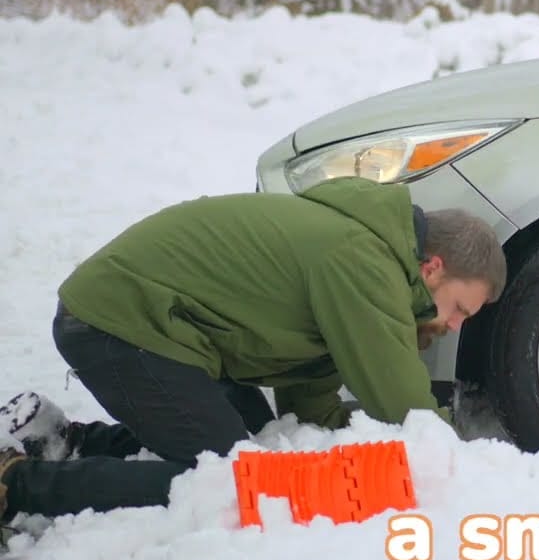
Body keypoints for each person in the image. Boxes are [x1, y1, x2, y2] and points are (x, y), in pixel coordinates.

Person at [0, 176, 506, 523]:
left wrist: (326, 437)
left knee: (259, 440)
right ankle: (17, 484)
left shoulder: (359, 251)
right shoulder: (364, 265)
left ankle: (69, 443)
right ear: (433, 268)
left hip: (160, 330)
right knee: (224, 476)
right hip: (123, 324)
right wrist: (467, 462)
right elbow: (405, 407)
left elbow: (311, 398)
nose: (454, 326)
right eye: (459, 308)